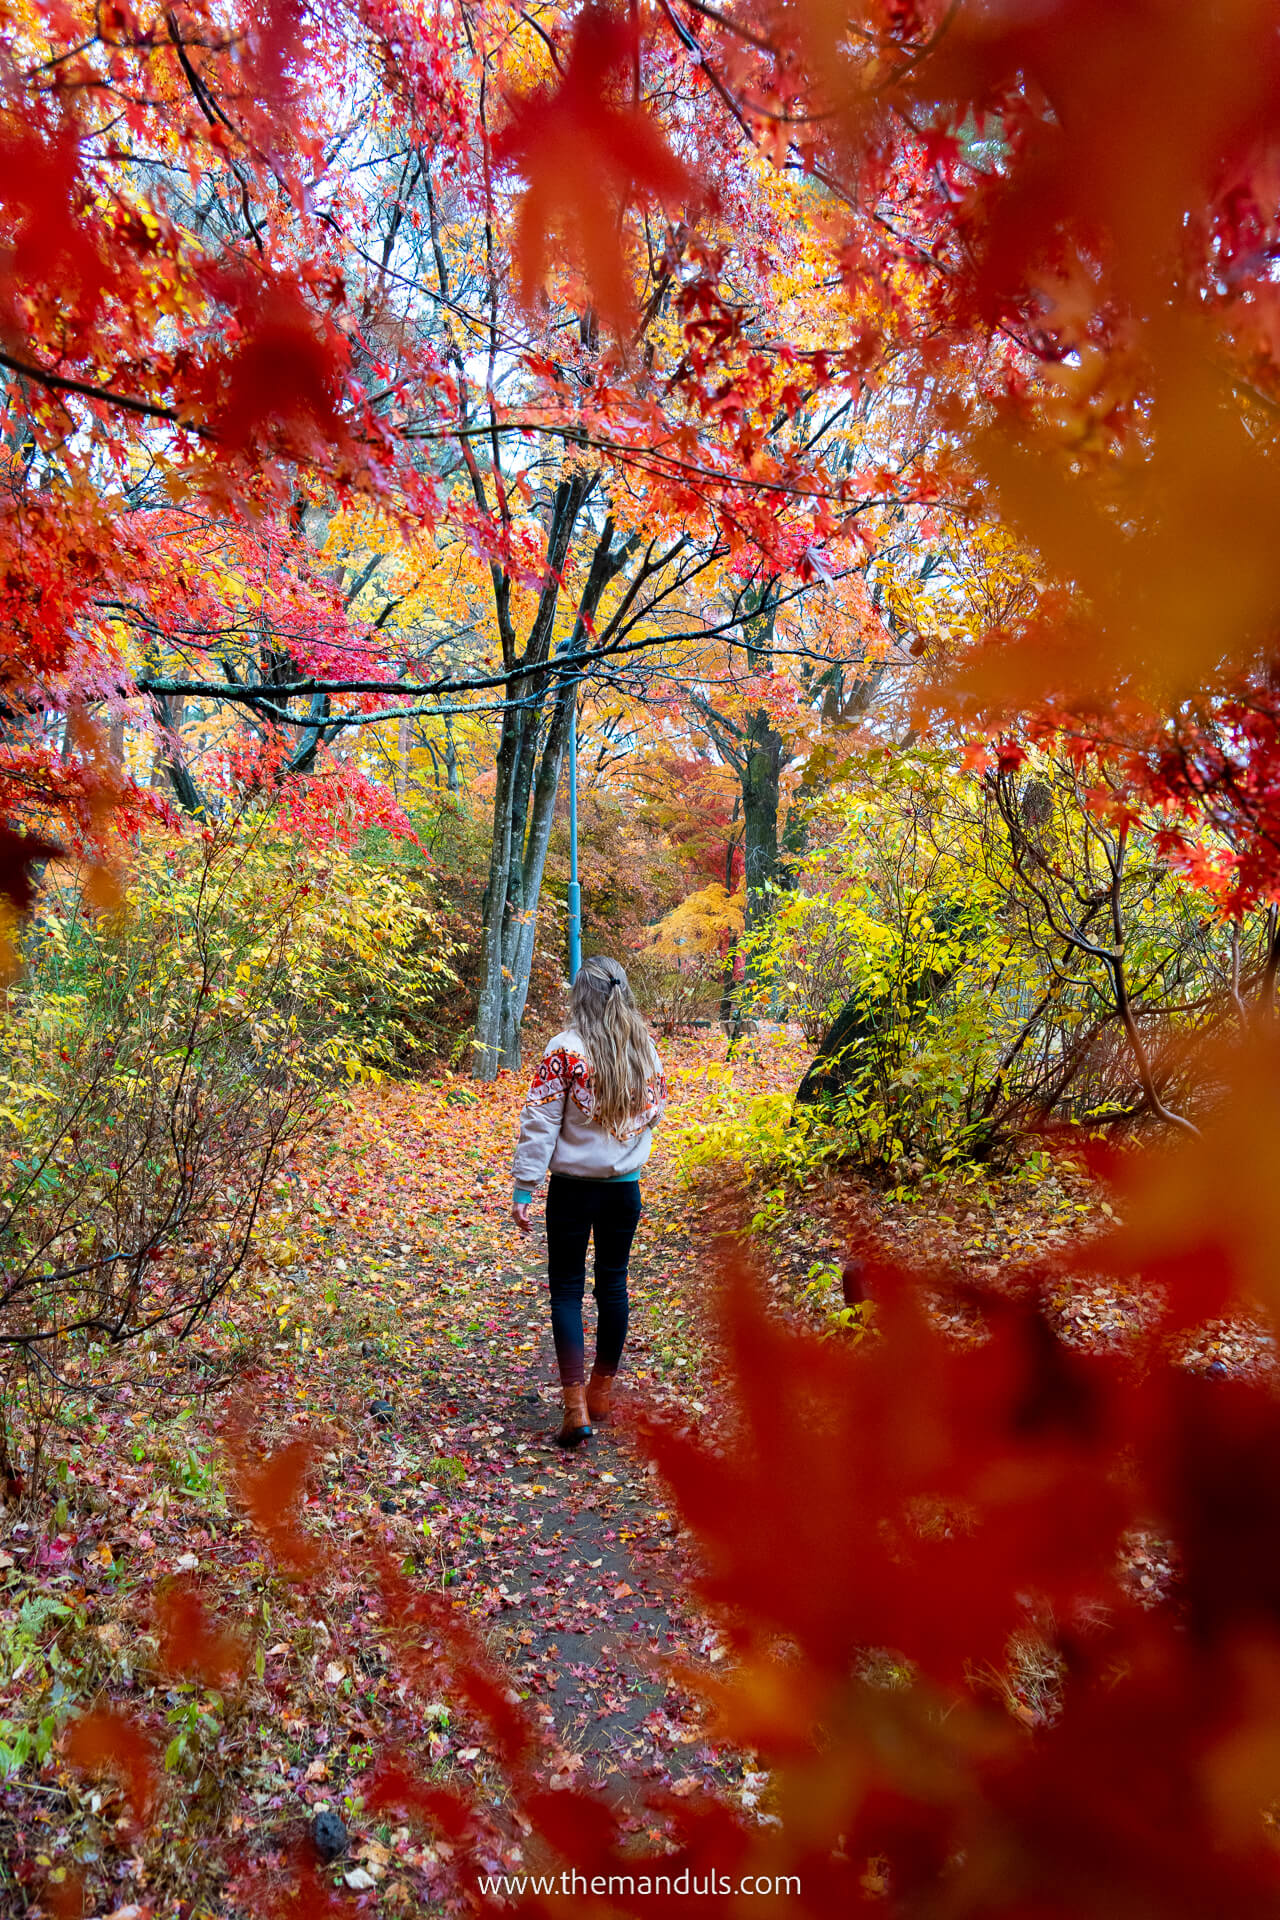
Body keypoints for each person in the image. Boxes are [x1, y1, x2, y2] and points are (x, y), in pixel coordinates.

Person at [511, 957, 667, 1448]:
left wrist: (524, 1186)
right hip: (624, 1188)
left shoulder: (565, 1050)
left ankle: (576, 1407)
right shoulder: (643, 1048)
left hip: (573, 1189)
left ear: (582, 995)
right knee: (613, 1286)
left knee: (566, 1291)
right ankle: (601, 1393)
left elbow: (540, 1121)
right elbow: (655, 1110)